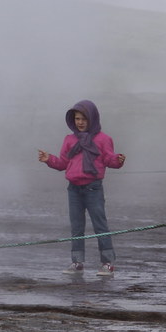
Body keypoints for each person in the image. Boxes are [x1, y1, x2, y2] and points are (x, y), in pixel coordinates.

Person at [38, 99, 126, 276]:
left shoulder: (103, 139)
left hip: (93, 189)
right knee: (76, 227)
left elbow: (109, 160)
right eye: (77, 118)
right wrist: (49, 159)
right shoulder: (70, 140)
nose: (80, 122)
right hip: (74, 189)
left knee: (100, 225)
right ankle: (77, 262)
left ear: (92, 118)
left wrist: (118, 160)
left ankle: (107, 263)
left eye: (84, 119)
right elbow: (63, 163)